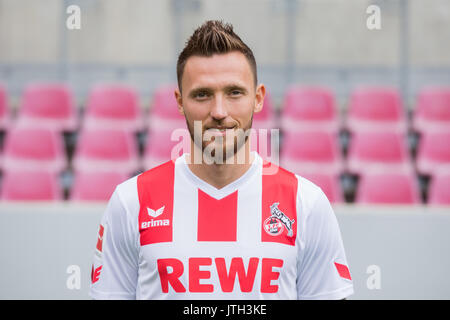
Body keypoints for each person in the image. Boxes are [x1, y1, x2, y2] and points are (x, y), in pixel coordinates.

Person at [89, 20, 354, 300]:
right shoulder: (132, 201)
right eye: (202, 94)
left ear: (258, 98)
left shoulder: (306, 203)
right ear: (180, 102)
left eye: (234, 92)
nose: (218, 111)